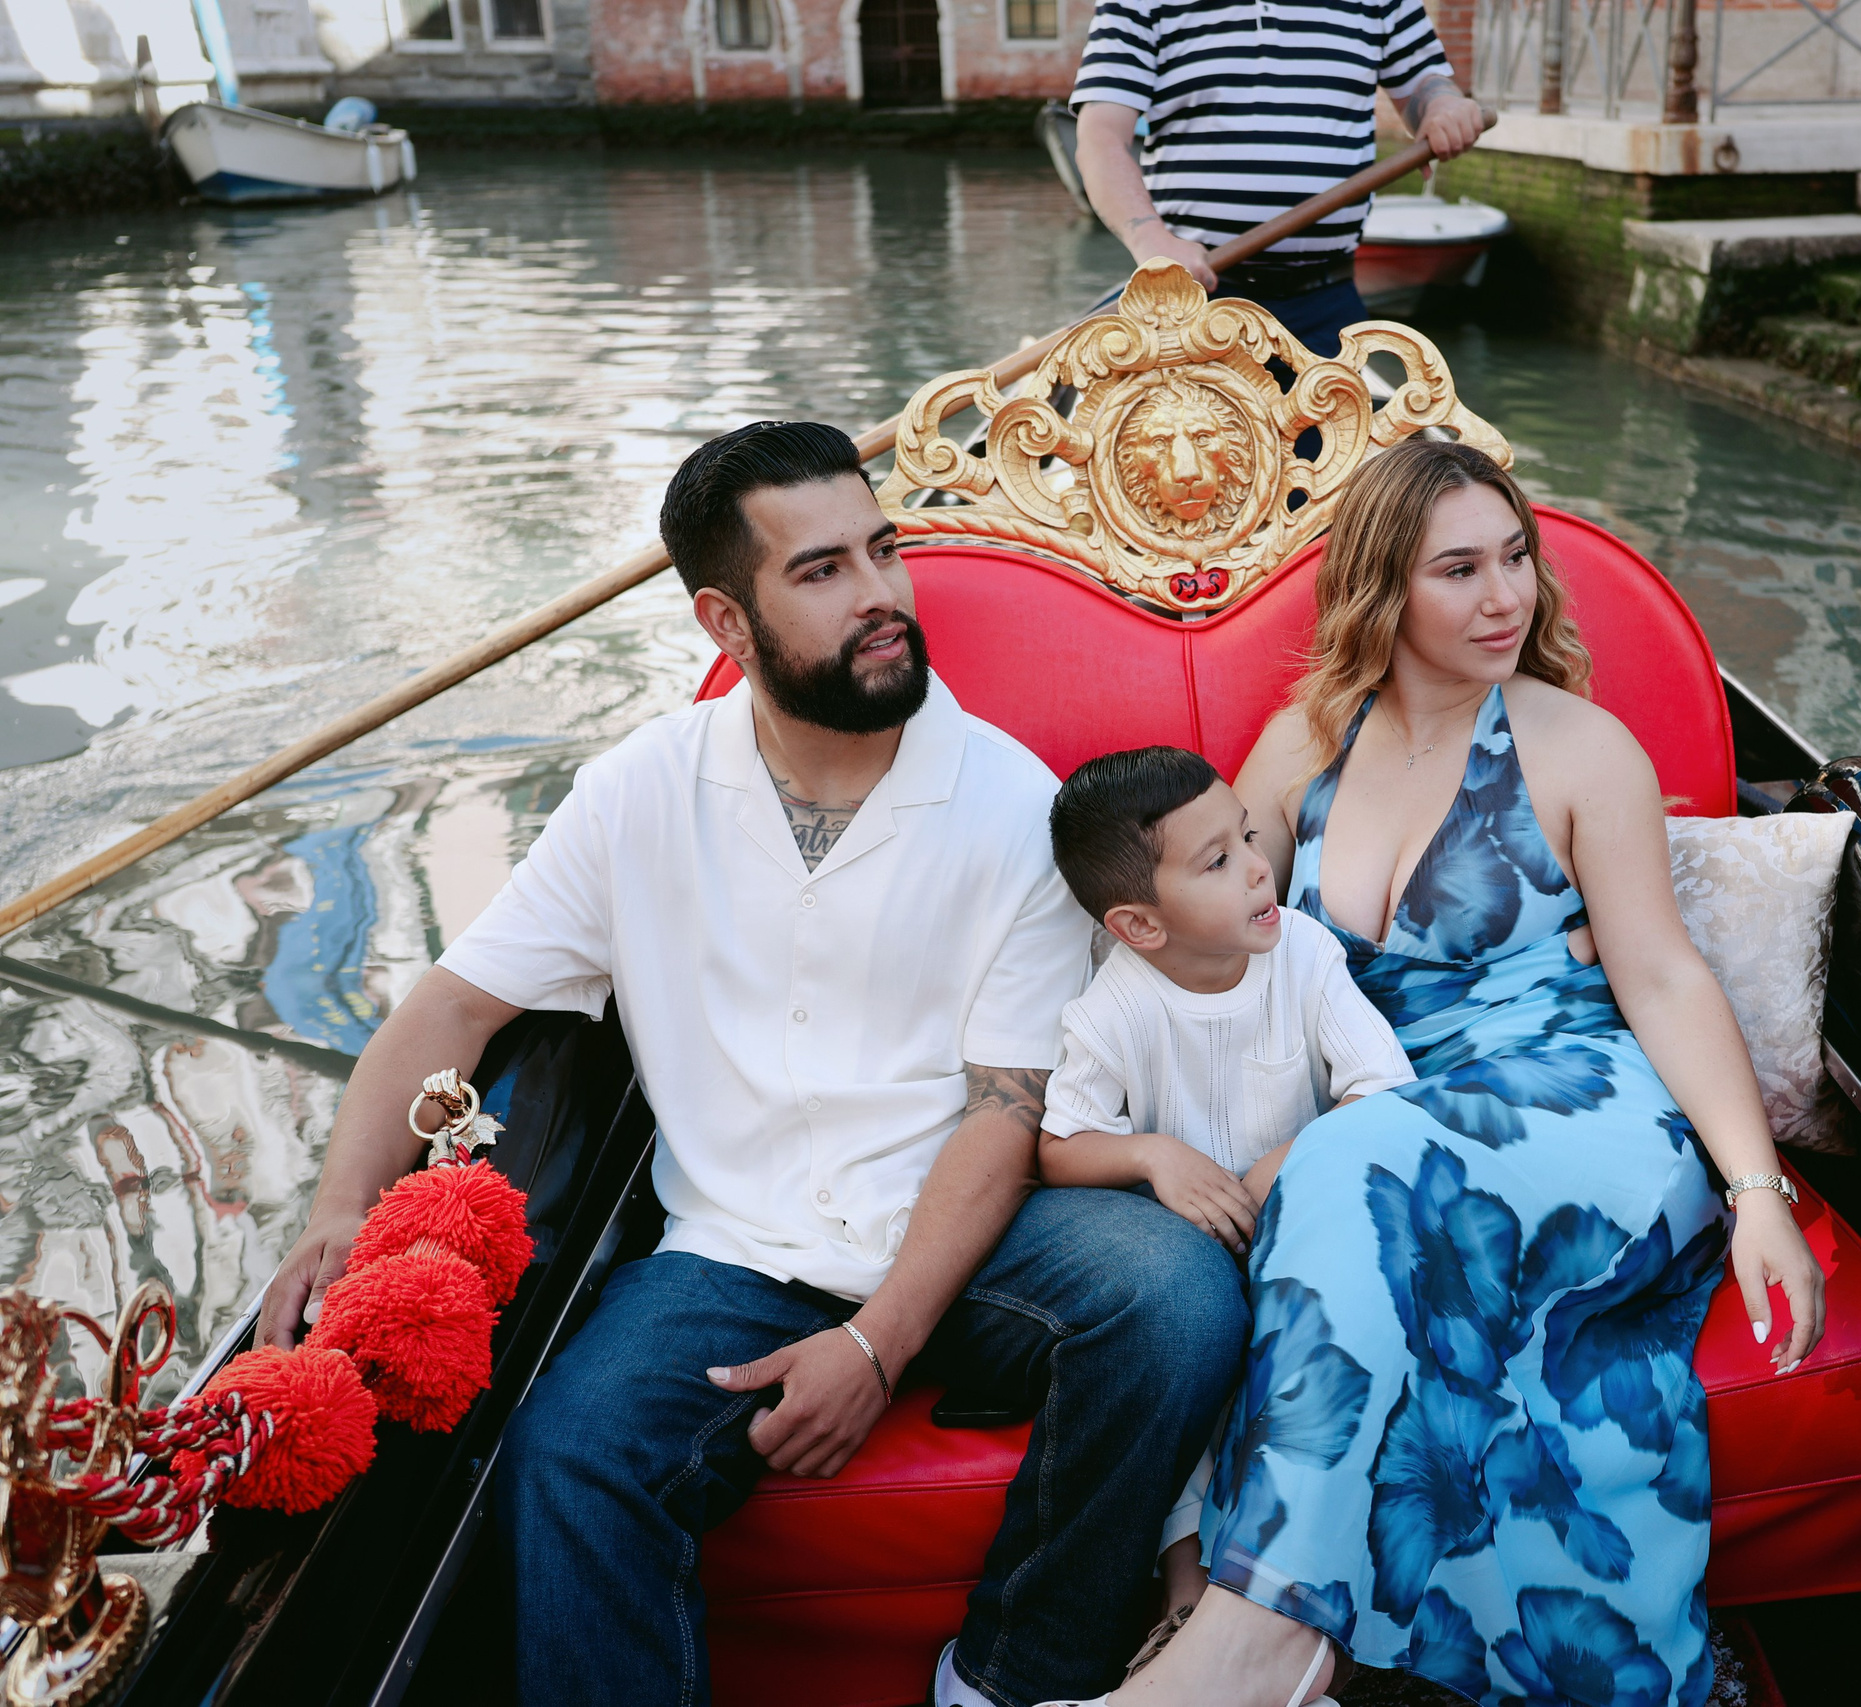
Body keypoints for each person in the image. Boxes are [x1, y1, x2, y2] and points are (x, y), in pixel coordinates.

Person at [255, 420, 1250, 1707]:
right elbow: (444, 1010)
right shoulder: (640, 791)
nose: (884, 596)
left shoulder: (1012, 805)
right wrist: (342, 1211)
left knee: (1173, 1299)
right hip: (729, 1250)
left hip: (969, 1233)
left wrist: (878, 1346)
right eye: (823, 571)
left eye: (882, 551)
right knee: (572, 1456)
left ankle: (1010, 1679)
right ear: (727, 622)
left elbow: (1005, 1115)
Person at [1047, 439, 1830, 1707]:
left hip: (1585, 1103)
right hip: (1394, 1118)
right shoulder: (1301, 747)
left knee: (1346, 1156)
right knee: (1344, 1163)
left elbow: (1664, 977)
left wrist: (1755, 1193)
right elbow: (1201, 944)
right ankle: (1270, 1640)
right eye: (1458, 569)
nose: (1504, 596)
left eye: (1516, 557)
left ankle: (1258, 1649)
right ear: (1381, 591)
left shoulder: (1580, 749)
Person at [1039, 746, 1416, 1643]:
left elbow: (1384, 1089)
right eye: (1217, 861)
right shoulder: (1114, 1009)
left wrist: (1287, 1154)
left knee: (1304, 1363)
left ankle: (1310, 1609)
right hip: (1202, 1255)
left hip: (1310, 1230)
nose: (1258, 865)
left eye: (1247, 835)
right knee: (1200, 1376)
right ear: (1139, 925)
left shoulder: (1303, 953)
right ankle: (1183, 1605)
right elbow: (1060, 1147)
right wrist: (1154, 1156)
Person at [1070, 0, 1488, 359]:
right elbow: (1100, 136)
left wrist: (1442, 105)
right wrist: (1152, 243)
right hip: (1193, 308)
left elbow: (1425, 86)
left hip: (1328, 309)